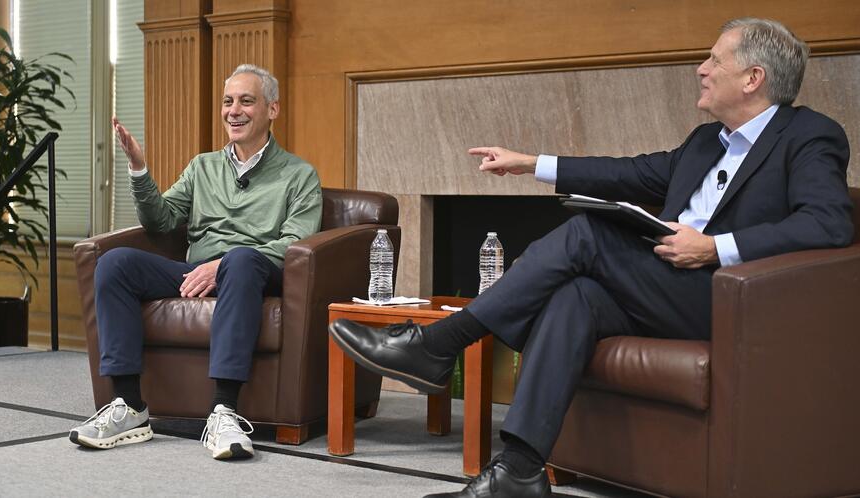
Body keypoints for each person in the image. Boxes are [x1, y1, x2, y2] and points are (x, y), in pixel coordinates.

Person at [329, 18, 853, 497]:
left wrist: (714, 246)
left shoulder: (809, 136)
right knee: (576, 296)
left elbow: (829, 223)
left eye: (715, 59)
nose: (701, 68)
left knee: (588, 233)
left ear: (753, 78)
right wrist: (530, 163)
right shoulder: (705, 143)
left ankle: (438, 345)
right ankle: (519, 471)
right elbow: (627, 172)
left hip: (733, 301)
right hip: (665, 287)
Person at [70, 64, 323, 460]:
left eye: (246, 101)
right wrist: (139, 169)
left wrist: (222, 264)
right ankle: (129, 407)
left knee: (240, 260)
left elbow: (294, 243)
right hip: (196, 272)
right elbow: (161, 220)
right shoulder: (203, 167)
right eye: (227, 101)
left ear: (272, 109)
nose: (233, 111)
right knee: (115, 263)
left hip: (253, 270)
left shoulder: (299, 174)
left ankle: (224, 412)